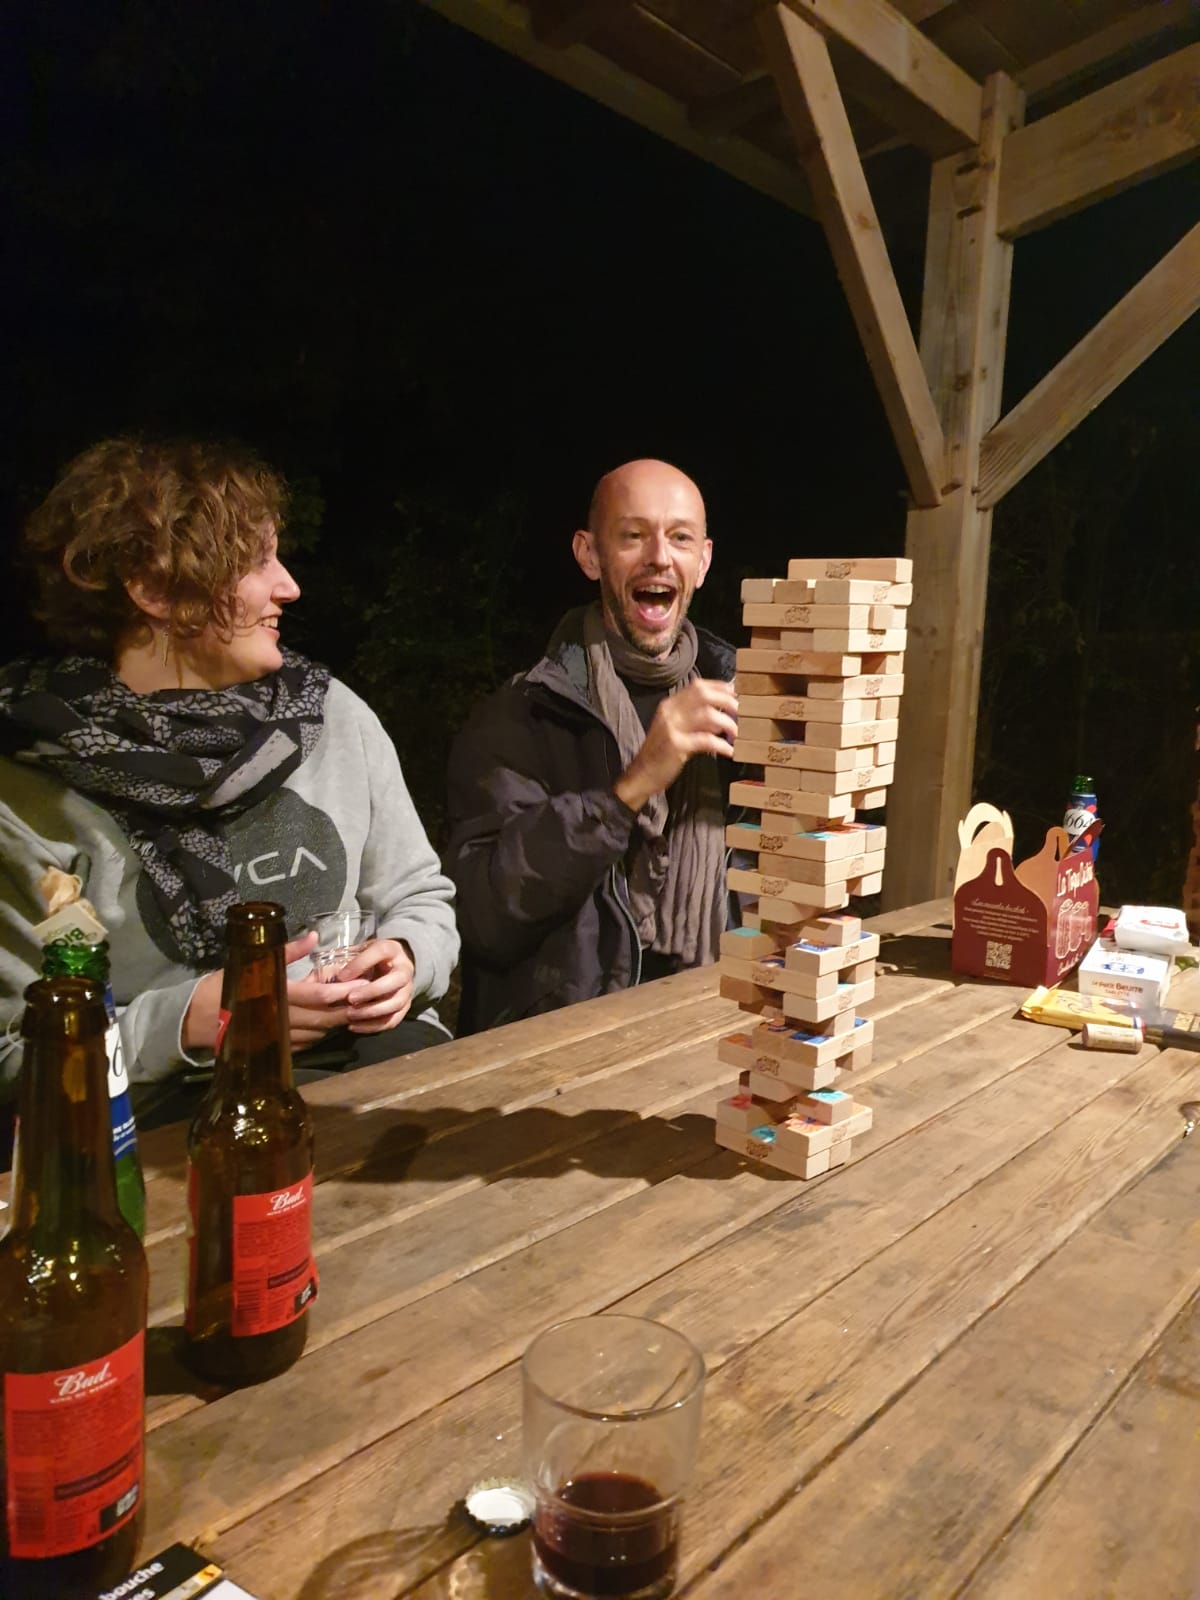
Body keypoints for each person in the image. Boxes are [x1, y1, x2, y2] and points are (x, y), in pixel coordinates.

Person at [0, 437, 459, 1134]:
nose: (289, 586)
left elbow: (420, 896)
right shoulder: (33, 789)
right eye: (255, 561)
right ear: (152, 589)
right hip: (173, 1123)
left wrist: (407, 958)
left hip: (385, 1079)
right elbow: (17, 1055)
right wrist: (194, 1020)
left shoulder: (328, 717)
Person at [445, 457, 738, 1034]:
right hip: (568, 1045)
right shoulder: (522, 714)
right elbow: (481, 915)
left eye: (680, 537)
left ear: (701, 562)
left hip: (710, 1027)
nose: (659, 555)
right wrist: (629, 789)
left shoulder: (738, 704)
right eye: (633, 535)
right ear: (590, 555)